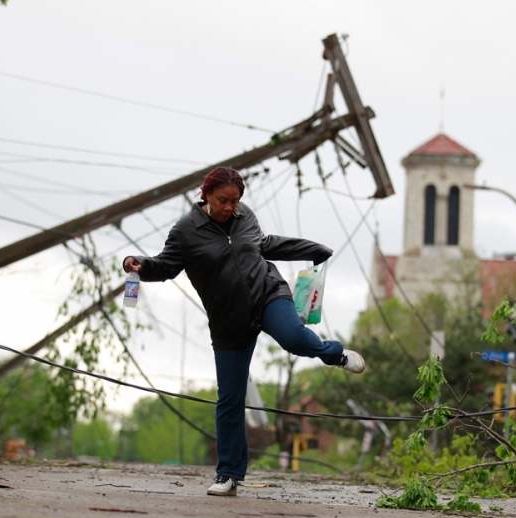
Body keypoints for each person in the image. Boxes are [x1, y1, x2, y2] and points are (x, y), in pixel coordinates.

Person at [123, 166, 364, 497]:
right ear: (205, 195)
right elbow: (165, 266)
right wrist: (138, 263)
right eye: (223, 200)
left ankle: (335, 354)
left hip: (268, 295)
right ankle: (228, 475)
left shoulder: (244, 215)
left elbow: (264, 244)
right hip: (228, 320)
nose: (230, 207)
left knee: (294, 338)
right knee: (231, 398)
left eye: (235, 201)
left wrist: (311, 248)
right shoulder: (185, 231)